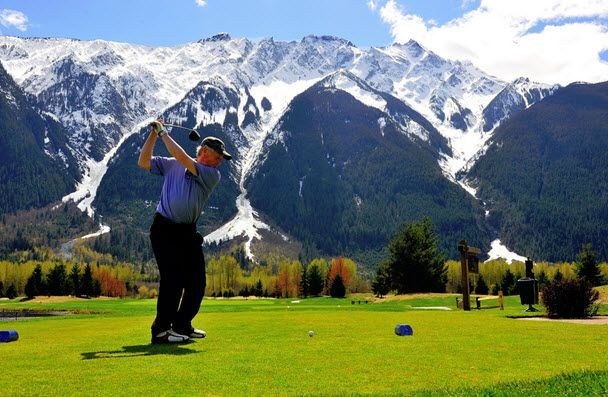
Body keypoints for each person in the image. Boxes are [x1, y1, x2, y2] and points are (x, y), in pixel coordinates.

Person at [137, 119, 232, 344]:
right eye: (218, 157)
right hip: (164, 229)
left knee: (197, 283)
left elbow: (182, 157)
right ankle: (161, 330)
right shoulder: (171, 164)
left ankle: (182, 324)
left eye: (221, 159)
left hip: (188, 233)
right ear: (204, 152)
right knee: (172, 279)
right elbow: (143, 162)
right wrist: (153, 134)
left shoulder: (211, 175)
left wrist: (163, 133)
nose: (219, 162)